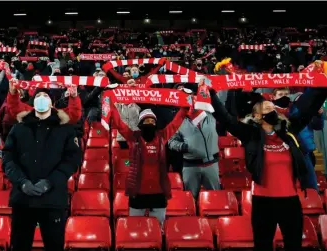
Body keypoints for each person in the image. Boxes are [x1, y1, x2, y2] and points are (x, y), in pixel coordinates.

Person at [209, 84, 327, 251]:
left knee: (294, 245)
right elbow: (226, 119)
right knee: (263, 245)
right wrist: (212, 94)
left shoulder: (288, 130)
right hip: (263, 201)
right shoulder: (250, 134)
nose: (272, 111)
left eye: (273, 108)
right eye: (267, 108)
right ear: (257, 115)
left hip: (290, 201)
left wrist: (322, 87)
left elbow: (308, 111)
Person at [3, 88, 82, 251]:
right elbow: (8, 159)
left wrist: (50, 182)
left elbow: (72, 160)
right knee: (19, 245)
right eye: (38, 96)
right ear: (32, 103)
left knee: (54, 246)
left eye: (45, 96)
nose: (41, 98)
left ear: (52, 103)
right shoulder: (19, 128)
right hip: (23, 199)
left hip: (52, 200)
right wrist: (22, 182)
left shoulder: (65, 129)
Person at [109, 100, 186, 227]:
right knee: (135, 228)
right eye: (146, 121)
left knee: (158, 229)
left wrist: (185, 107)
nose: (149, 124)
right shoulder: (133, 138)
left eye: (152, 121)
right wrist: (110, 103)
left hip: (158, 193)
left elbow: (175, 124)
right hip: (138, 192)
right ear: (140, 124)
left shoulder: (162, 137)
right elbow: (119, 124)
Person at [168, 104, 220, 200]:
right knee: (190, 199)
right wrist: (183, 146)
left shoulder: (209, 114)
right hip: (190, 166)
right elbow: (171, 141)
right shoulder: (179, 120)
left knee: (215, 198)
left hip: (211, 164)